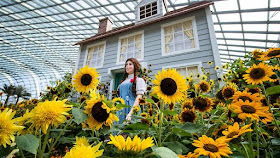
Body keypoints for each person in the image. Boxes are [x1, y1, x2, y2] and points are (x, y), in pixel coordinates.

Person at [117, 58, 146, 123]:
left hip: (131, 107)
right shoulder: (123, 82)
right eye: (126, 64)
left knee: (130, 129)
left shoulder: (139, 80)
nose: (127, 66)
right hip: (121, 109)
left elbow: (139, 97)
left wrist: (131, 113)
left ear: (135, 66)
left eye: (130, 64)